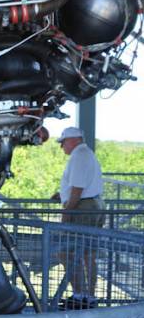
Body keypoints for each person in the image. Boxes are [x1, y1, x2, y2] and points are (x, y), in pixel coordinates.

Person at [54, 126, 105, 308]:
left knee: (65, 251)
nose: (62, 147)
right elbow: (78, 187)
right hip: (92, 206)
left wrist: (65, 217)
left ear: (73, 140)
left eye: (63, 142)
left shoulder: (79, 156)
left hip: (83, 209)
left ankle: (79, 296)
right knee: (88, 254)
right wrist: (62, 194)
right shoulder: (86, 154)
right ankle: (88, 297)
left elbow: (77, 190)